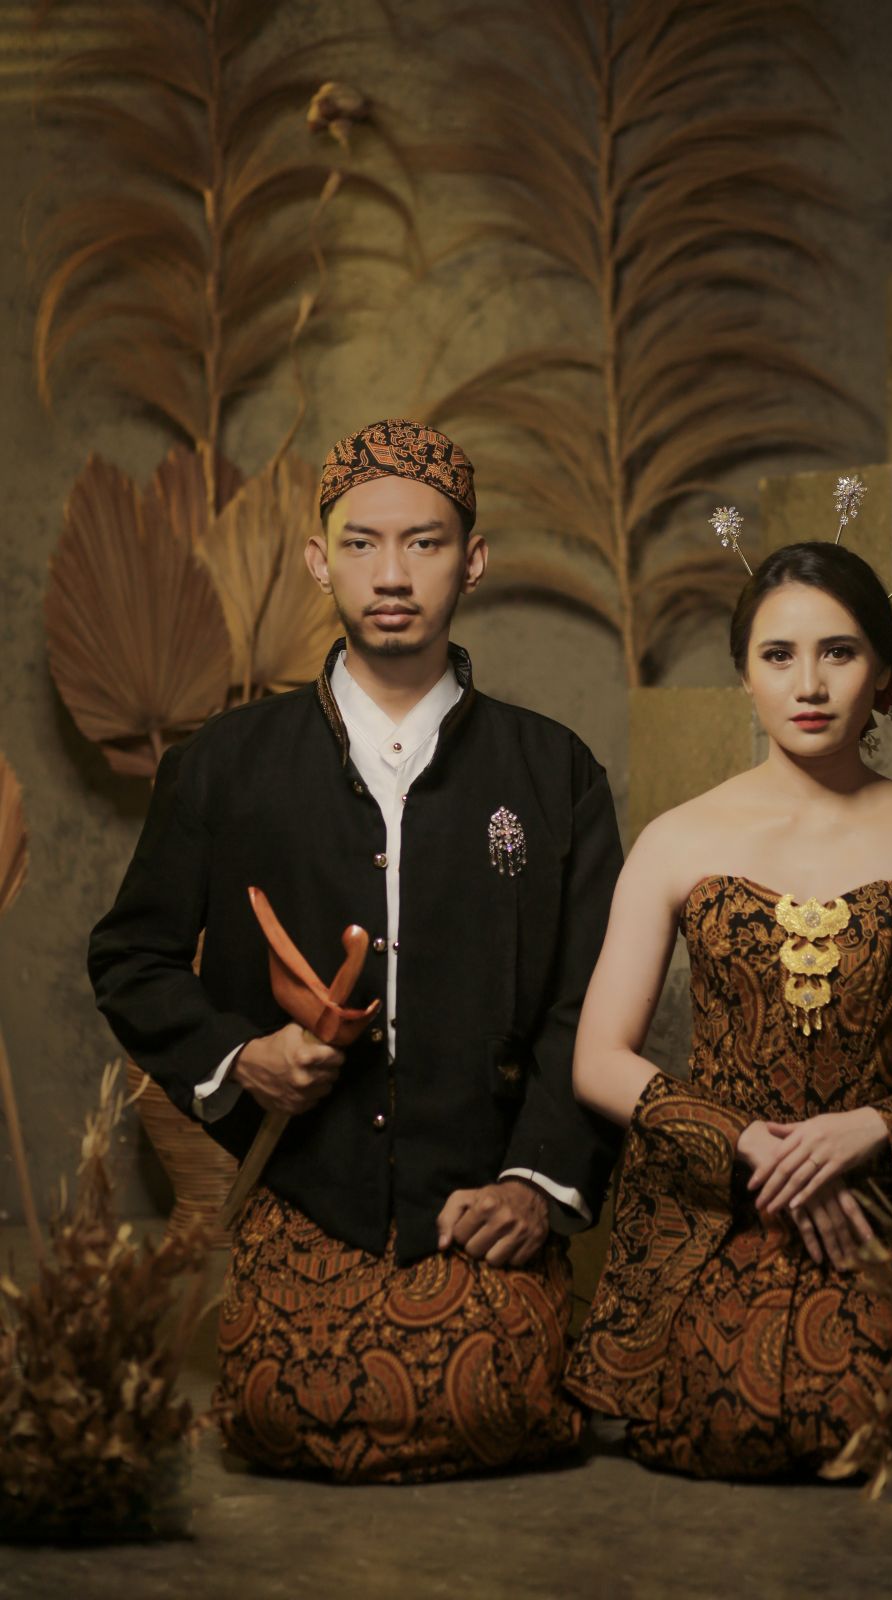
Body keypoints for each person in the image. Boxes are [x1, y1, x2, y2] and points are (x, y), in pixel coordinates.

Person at [88, 419, 622, 1483]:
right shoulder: (224, 764)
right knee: (279, 1418)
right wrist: (242, 1057)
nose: (391, 575)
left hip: (478, 1197)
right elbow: (132, 957)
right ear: (316, 560)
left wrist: (532, 1184)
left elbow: (591, 1001)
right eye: (361, 543)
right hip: (306, 1189)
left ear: (472, 561)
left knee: (494, 1406)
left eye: (424, 543)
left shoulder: (552, 769)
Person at [565, 533, 892, 1478]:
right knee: (713, 1420)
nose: (809, 684)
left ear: (885, 671)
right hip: (718, 1204)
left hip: (887, 1207)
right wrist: (751, 1142)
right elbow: (597, 1060)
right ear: (744, 674)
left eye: (839, 652)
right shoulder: (675, 840)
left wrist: (870, 1129)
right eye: (778, 655)